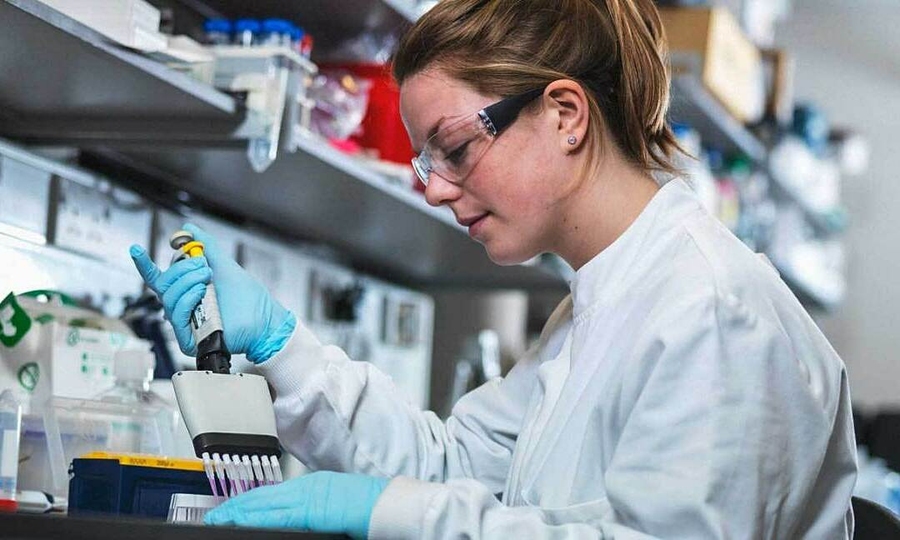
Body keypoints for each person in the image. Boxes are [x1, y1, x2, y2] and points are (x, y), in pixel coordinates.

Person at [129, 0, 857, 538]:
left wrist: (396, 514)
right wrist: (282, 344)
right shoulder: (599, 304)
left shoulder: (713, 310)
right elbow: (452, 466)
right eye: (427, 163)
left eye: (453, 149)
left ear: (565, 114)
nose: (434, 189)